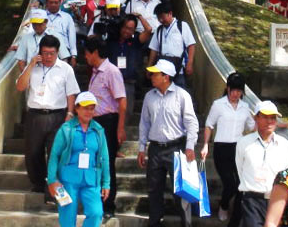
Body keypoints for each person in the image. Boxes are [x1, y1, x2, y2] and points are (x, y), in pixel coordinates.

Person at [15, 34, 80, 202]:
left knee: (55, 154)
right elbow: (20, 86)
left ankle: (52, 192)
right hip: (35, 115)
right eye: (45, 53)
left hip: (57, 116)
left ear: (58, 52)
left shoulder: (65, 69)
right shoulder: (33, 67)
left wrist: (70, 113)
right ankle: (38, 183)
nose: (48, 57)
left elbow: (71, 92)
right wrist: (30, 65)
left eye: (52, 53)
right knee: (32, 153)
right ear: (39, 52)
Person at [138, 59, 199, 227]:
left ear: (166, 77)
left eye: (155, 74)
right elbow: (144, 123)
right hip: (156, 148)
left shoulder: (182, 95)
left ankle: (185, 224)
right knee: (154, 189)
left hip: (176, 147)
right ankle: (155, 222)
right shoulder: (149, 97)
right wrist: (141, 147)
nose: (151, 77)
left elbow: (191, 123)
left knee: (181, 190)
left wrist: (190, 147)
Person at [47, 91, 110, 227]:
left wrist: (106, 183)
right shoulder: (66, 129)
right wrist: (52, 180)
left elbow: (104, 158)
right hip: (67, 180)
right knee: (67, 218)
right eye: (85, 108)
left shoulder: (99, 130)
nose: (89, 112)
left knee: (96, 213)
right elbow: (54, 155)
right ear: (76, 109)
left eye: (92, 109)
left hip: (91, 179)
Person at [201, 72, 255, 224]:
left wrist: (274, 125)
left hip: (238, 149)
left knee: (240, 185)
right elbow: (209, 125)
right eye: (234, 90)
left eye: (239, 91)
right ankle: (223, 205)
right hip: (221, 149)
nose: (236, 94)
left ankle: (235, 218)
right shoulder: (218, 105)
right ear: (228, 88)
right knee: (230, 183)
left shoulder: (245, 107)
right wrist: (205, 144)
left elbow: (253, 126)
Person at [84, 37, 127, 219]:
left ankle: (108, 205)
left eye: (87, 53)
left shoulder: (111, 71)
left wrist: (120, 128)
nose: (85, 56)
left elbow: (122, 102)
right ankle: (95, 203)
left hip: (108, 123)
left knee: (106, 164)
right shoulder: (95, 71)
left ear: (94, 52)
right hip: (94, 123)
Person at [236, 100, 288, 227]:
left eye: (273, 118)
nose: (269, 121)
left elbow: (286, 174)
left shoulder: (284, 145)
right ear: (256, 118)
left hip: (277, 200)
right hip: (252, 200)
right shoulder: (244, 143)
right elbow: (240, 169)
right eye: (265, 117)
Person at [107, 13, 152, 120]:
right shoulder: (112, 41)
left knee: (126, 113)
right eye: (125, 28)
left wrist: (139, 16)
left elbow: (148, 30)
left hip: (128, 82)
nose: (127, 31)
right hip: (112, 82)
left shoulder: (135, 41)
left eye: (131, 29)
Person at [148, 2, 196, 89]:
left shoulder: (182, 26)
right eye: (159, 18)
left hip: (178, 68)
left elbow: (191, 45)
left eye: (162, 17)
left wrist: (189, 63)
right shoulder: (159, 30)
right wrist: (149, 66)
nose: (161, 20)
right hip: (162, 68)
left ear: (170, 13)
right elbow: (154, 49)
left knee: (179, 91)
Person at [45, 0, 78, 67]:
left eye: (56, 2)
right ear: (46, 3)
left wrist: (73, 56)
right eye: (51, 2)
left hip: (64, 53)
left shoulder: (67, 17)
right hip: (45, 51)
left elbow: (72, 37)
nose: (53, 5)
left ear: (60, 2)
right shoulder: (41, 17)